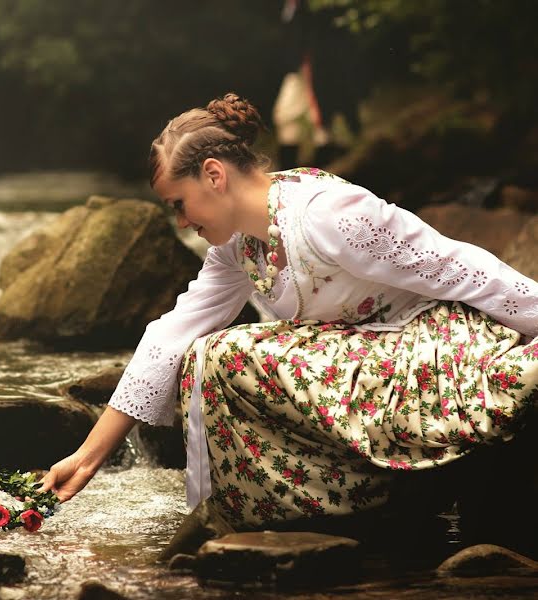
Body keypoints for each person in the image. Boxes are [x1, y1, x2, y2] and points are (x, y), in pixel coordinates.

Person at [39, 93, 538, 530]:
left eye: (180, 204)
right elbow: (170, 334)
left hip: (432, 347)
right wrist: (87, 458)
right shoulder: (237, 246)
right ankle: (319, 503)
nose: (182, 221)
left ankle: (376, 493)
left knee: (225, 354)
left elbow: (459, 267)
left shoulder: (328, 214)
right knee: (199, 357)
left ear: (214, 175)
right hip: (366, 364)